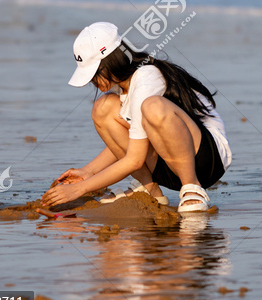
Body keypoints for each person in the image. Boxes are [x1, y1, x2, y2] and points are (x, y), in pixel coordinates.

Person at [41, 22, 231, 213]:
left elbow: (135, 159)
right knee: (103, 107)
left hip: (206, 160)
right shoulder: (121, 84)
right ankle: (149, 190)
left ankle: (192, 188)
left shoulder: (148, 78)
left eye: (93, 74)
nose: (92, 82)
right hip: (166, 166)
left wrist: (81, 188)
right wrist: (87, 172)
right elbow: (135, 139)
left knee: (152, 107)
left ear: (110, 62)